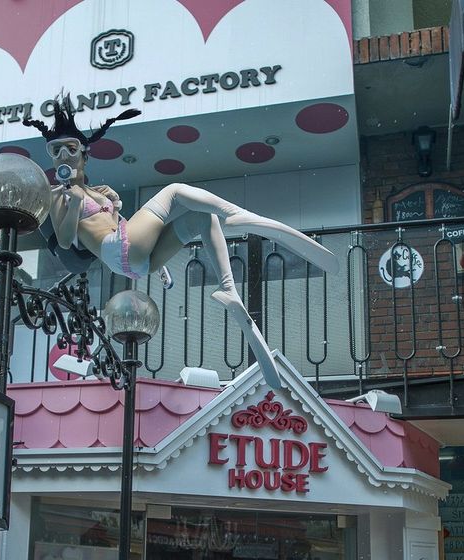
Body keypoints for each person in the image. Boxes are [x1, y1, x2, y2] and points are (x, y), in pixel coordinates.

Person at [23, 96, 338, 388]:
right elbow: (66, 240)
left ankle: (228, 288)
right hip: (118, 250)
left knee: (202, 218)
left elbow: (124, 227)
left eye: (70, 148)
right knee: (174, 191)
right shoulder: (59, 196)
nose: (63, 156)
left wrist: (159, 266)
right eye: (55, 151)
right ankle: (235, 215)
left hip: (137, 260)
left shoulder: (99, 192)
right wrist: (75, 202)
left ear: (84, 154)